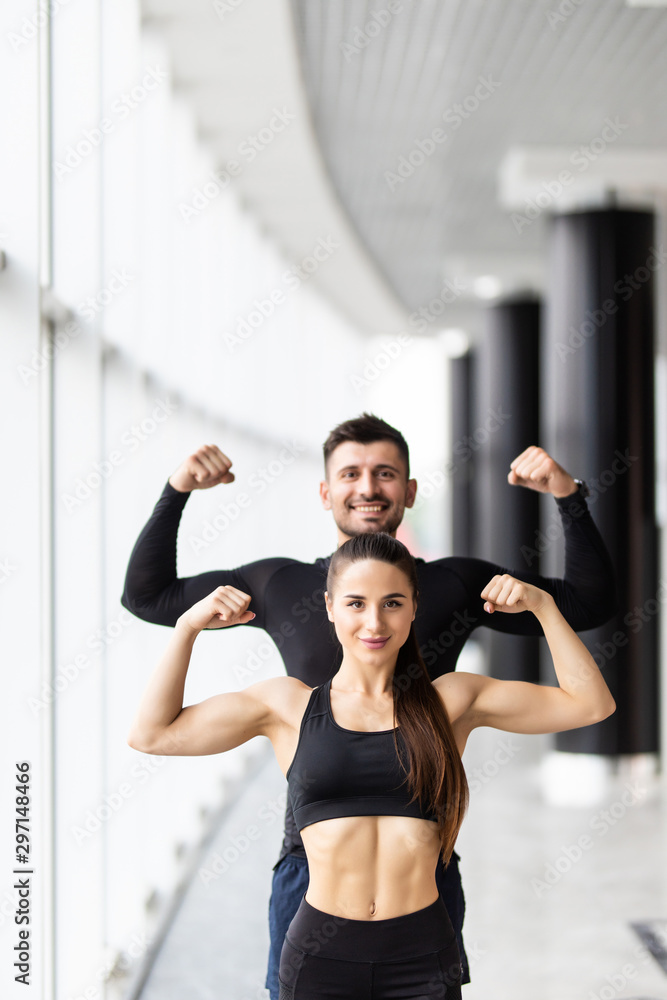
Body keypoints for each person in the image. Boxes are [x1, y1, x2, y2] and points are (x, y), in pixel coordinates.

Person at [121, 413, 616, 995]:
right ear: (326, 492)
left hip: (422, 866)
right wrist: (176, 492)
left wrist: (568, 497)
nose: (367, 487)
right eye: (350, 473)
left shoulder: (452, 591)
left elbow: (589, 605)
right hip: (312, 865)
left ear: (408, 491)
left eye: (385, 473)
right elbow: (146, 597)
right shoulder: (279, 587)